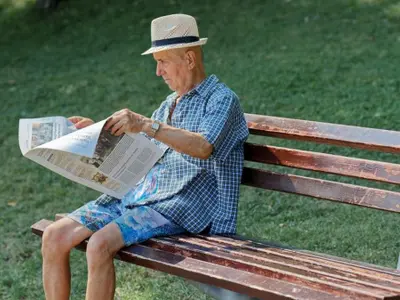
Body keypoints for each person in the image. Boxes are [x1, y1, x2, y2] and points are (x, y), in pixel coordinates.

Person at [41, 14, 249, 300]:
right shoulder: (169, 104)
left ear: (189, 60)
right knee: (54, 236)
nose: (158, 71)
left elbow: (203, 147)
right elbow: (142, 149)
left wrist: (146, 124)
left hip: (181, 205)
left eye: (163, 61)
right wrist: (94, 134)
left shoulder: (222, 100)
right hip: (139, 195)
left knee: (99, 244)